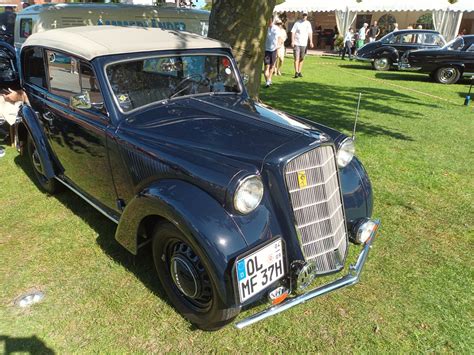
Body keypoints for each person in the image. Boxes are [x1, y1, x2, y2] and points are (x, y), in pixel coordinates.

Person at [291, 12, 313, 78]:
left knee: (302, 58)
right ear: (302, 15)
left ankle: (299, 71)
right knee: (296, 58)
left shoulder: (308, 23)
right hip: (297, 43)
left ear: (307, 16)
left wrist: (311, 41)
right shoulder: (297, 23)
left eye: (305, 15)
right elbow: (293, 32)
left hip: (304, 44)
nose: (304, 16)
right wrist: (292, 41)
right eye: (303, 15)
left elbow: (310, 32)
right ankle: (296, 72)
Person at [263, 17, 280, 88]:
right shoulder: (264, 28)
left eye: (270, 20)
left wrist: (278, 45)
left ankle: (269, 78)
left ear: (272, 21)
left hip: (274, 50)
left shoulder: (276, 28)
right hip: (266, 50)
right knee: (266, 67)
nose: (268, 21)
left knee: (272, 66)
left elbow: (279, 38)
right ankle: (267, 81)